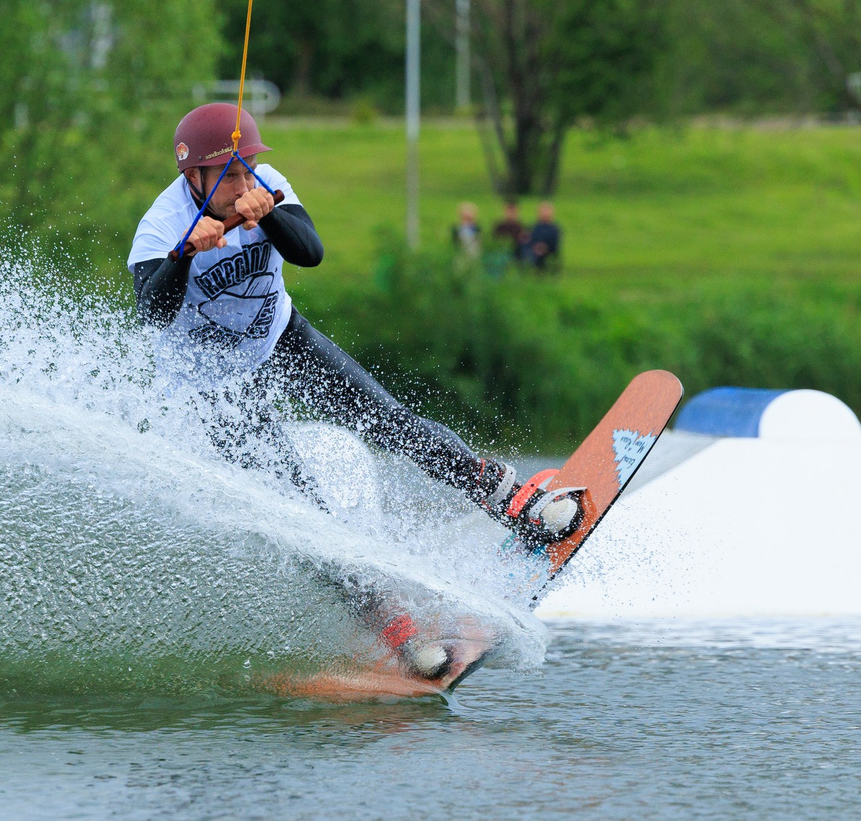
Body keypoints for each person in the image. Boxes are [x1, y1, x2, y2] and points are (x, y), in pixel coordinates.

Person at [126, 102, 576, 555]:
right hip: (211, 384)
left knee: (394, 424)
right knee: (291, 500)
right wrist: (182, 256)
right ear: (193, 178)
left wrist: (269, 215)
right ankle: (373, 602)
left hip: (279, 338)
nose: (245, 186)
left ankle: (514, 502)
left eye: (250, 170)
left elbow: (311, 252)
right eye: (230, 176)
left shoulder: (269, 187)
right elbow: (152, 314)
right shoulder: (160, 229)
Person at [524, 200, 563, 273]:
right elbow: (528, 239)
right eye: (543, 211)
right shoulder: (533, 227)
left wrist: (545, 247)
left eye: (547, 211)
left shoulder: (555, 229)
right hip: (534, 249)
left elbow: (555, 242)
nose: (545, 213)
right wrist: (535, 247)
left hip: (548, 250)